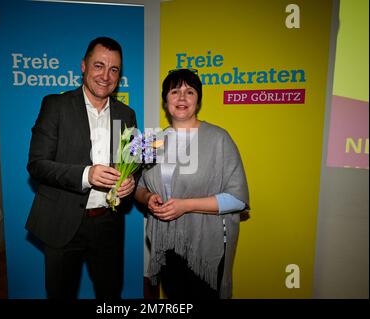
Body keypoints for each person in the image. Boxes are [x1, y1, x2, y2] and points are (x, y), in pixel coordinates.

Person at [26, 37, 137, 299]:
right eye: (99, 65)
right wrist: (87, 175)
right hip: (62, 222)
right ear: (83, 66)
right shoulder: (56, 105)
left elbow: (131, 162)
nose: (106, 76)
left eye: (114, 69)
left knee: (110, 295)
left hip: (109, 225)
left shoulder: (127, 114)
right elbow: (37, 164)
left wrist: (130, 180)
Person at [135, 68, 249, 299]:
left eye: (190, 91)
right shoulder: (151, 142)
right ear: (166, 100)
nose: (182, 98)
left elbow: (237, 199)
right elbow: (138, 187)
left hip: (205, 246)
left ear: (198, 100)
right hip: (167, 244)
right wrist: (148, 198)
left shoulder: (219, 139)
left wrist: (185, 205)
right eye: (174, 91)